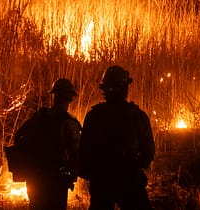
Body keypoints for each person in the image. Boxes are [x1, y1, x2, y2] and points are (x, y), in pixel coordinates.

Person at [79, 65, 155, 210]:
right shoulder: (137, 116)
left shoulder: (94, 116)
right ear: (125, 88)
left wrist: (92, 173)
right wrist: (135, 166)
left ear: (104, 89)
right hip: (129, 180)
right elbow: (149, 152)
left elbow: (84, 151)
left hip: (101, 181)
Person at [13, 78, 82, 210]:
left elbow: (19, 136)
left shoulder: (39, 116)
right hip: (57, 182)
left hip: (35, 178)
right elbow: (76, 153)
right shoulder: (69, 124)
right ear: (70, 99)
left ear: (54, 96)